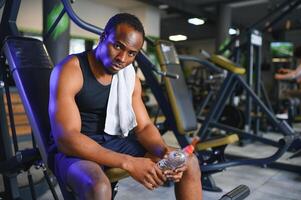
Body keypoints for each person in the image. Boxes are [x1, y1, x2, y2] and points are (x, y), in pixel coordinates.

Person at [49, 13, 202, 200]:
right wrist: (129, 163)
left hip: (115, 142)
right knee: (99, 187)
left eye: (131, 53)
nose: (122, 58)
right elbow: (67, 139)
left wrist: (163, 151)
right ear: (103, 37)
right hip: (76, 149)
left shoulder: (130, 78)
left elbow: (144, 127)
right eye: (118, 46)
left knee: (189, 162)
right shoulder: (71, 70)